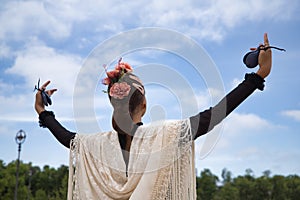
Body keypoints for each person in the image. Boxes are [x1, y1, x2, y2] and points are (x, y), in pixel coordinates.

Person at [34, 33, 272, 199]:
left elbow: (67, 138)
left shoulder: (96, 146)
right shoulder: (165, 137)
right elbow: (215, 115)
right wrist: (259, 74)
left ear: (112, 102)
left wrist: (43, 112)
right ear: (144, 105)